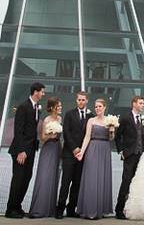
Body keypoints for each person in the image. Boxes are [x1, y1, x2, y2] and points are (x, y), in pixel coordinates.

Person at [6, 82, 46, 219]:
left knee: (26, 178)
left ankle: (18, 206)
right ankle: (10, 209)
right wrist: (21, 151)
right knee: (18, 179)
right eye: (42, 91)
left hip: (30, 149)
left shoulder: (36, 108)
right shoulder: (23, 107)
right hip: (21, 150)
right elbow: (18, 130)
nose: (43, 94)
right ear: (35, 92)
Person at [76, 98, 115, 219]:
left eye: (99, 106)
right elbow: (87, 137)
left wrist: (112, 131)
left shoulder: (109, 120)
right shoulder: (91, 120)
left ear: (104, 107)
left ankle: (100, 209)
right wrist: (82, 152)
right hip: (92, 148)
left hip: (105, 150)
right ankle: (89, 209)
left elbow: (111, 138)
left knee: (102, 177)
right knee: (91, 178)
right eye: (96, 106)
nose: (97, 108)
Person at [57, 91, 90, 219]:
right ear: (76, 101)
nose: (81, 102)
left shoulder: (90, 116)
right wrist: (74, 148)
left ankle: (71, 209)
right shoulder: (69, 114)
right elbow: (66, 133)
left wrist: (82, 150)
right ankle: (60, 208)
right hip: (69, 154)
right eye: (79, 100)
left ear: (87, 100)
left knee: (77, 183)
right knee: (65, 182)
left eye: (83, 100)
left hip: (82, 155)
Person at [114, 95, 144, 219]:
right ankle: (119, 210)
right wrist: (121, 151)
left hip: (141, 156)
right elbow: (118, 136)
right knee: (126, 181)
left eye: (143, 103)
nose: (142, 105)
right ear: (134, 104)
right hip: (129, 155)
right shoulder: (125, 118)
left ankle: (133, 210)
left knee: (138, 183)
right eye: (140, 103)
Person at [28, 97, 63, 217]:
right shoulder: (46, 120)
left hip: (57, 148)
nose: (60, 108)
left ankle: (49, 209)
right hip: (48, 149)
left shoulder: (60, 118)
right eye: (58, 106)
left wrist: (61, 149)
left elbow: (60, 137)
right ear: (52, 107)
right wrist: (51, 136)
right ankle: (38, 209)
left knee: (54, 177)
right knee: (44, 177)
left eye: (60, 106)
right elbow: (42, 138)